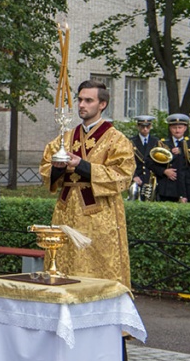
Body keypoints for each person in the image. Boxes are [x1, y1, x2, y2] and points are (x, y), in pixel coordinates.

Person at [39, 80, 135, 288]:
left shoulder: (116, 140)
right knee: (63, 269)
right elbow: (45, 170)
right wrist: (57, 168)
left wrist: (82, 165)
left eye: (88, 100)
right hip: (66, 213)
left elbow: (123, 175)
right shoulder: (65, 137)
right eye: (80, 100)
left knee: (98, 271)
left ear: (102, 105)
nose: (82, 105)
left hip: (99, 217)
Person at [150, 113, 189, 203]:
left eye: (180, 127)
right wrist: (164, 171)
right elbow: (150, 163)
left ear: (185, 128)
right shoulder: (163, 144)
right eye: (174, 128)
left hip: (187, 187)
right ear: (170, 128)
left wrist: (182, 151)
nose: (177, 130)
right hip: (167, 188)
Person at [130, 115, 159, 199]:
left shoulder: (156, 141)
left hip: (151, 179)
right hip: (138, 178)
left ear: (150, 126)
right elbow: (127, 162)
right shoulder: (131, 142)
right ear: (138, 126)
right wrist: (133, 176)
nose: (145, 129)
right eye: (142, 126)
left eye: (148, 126)